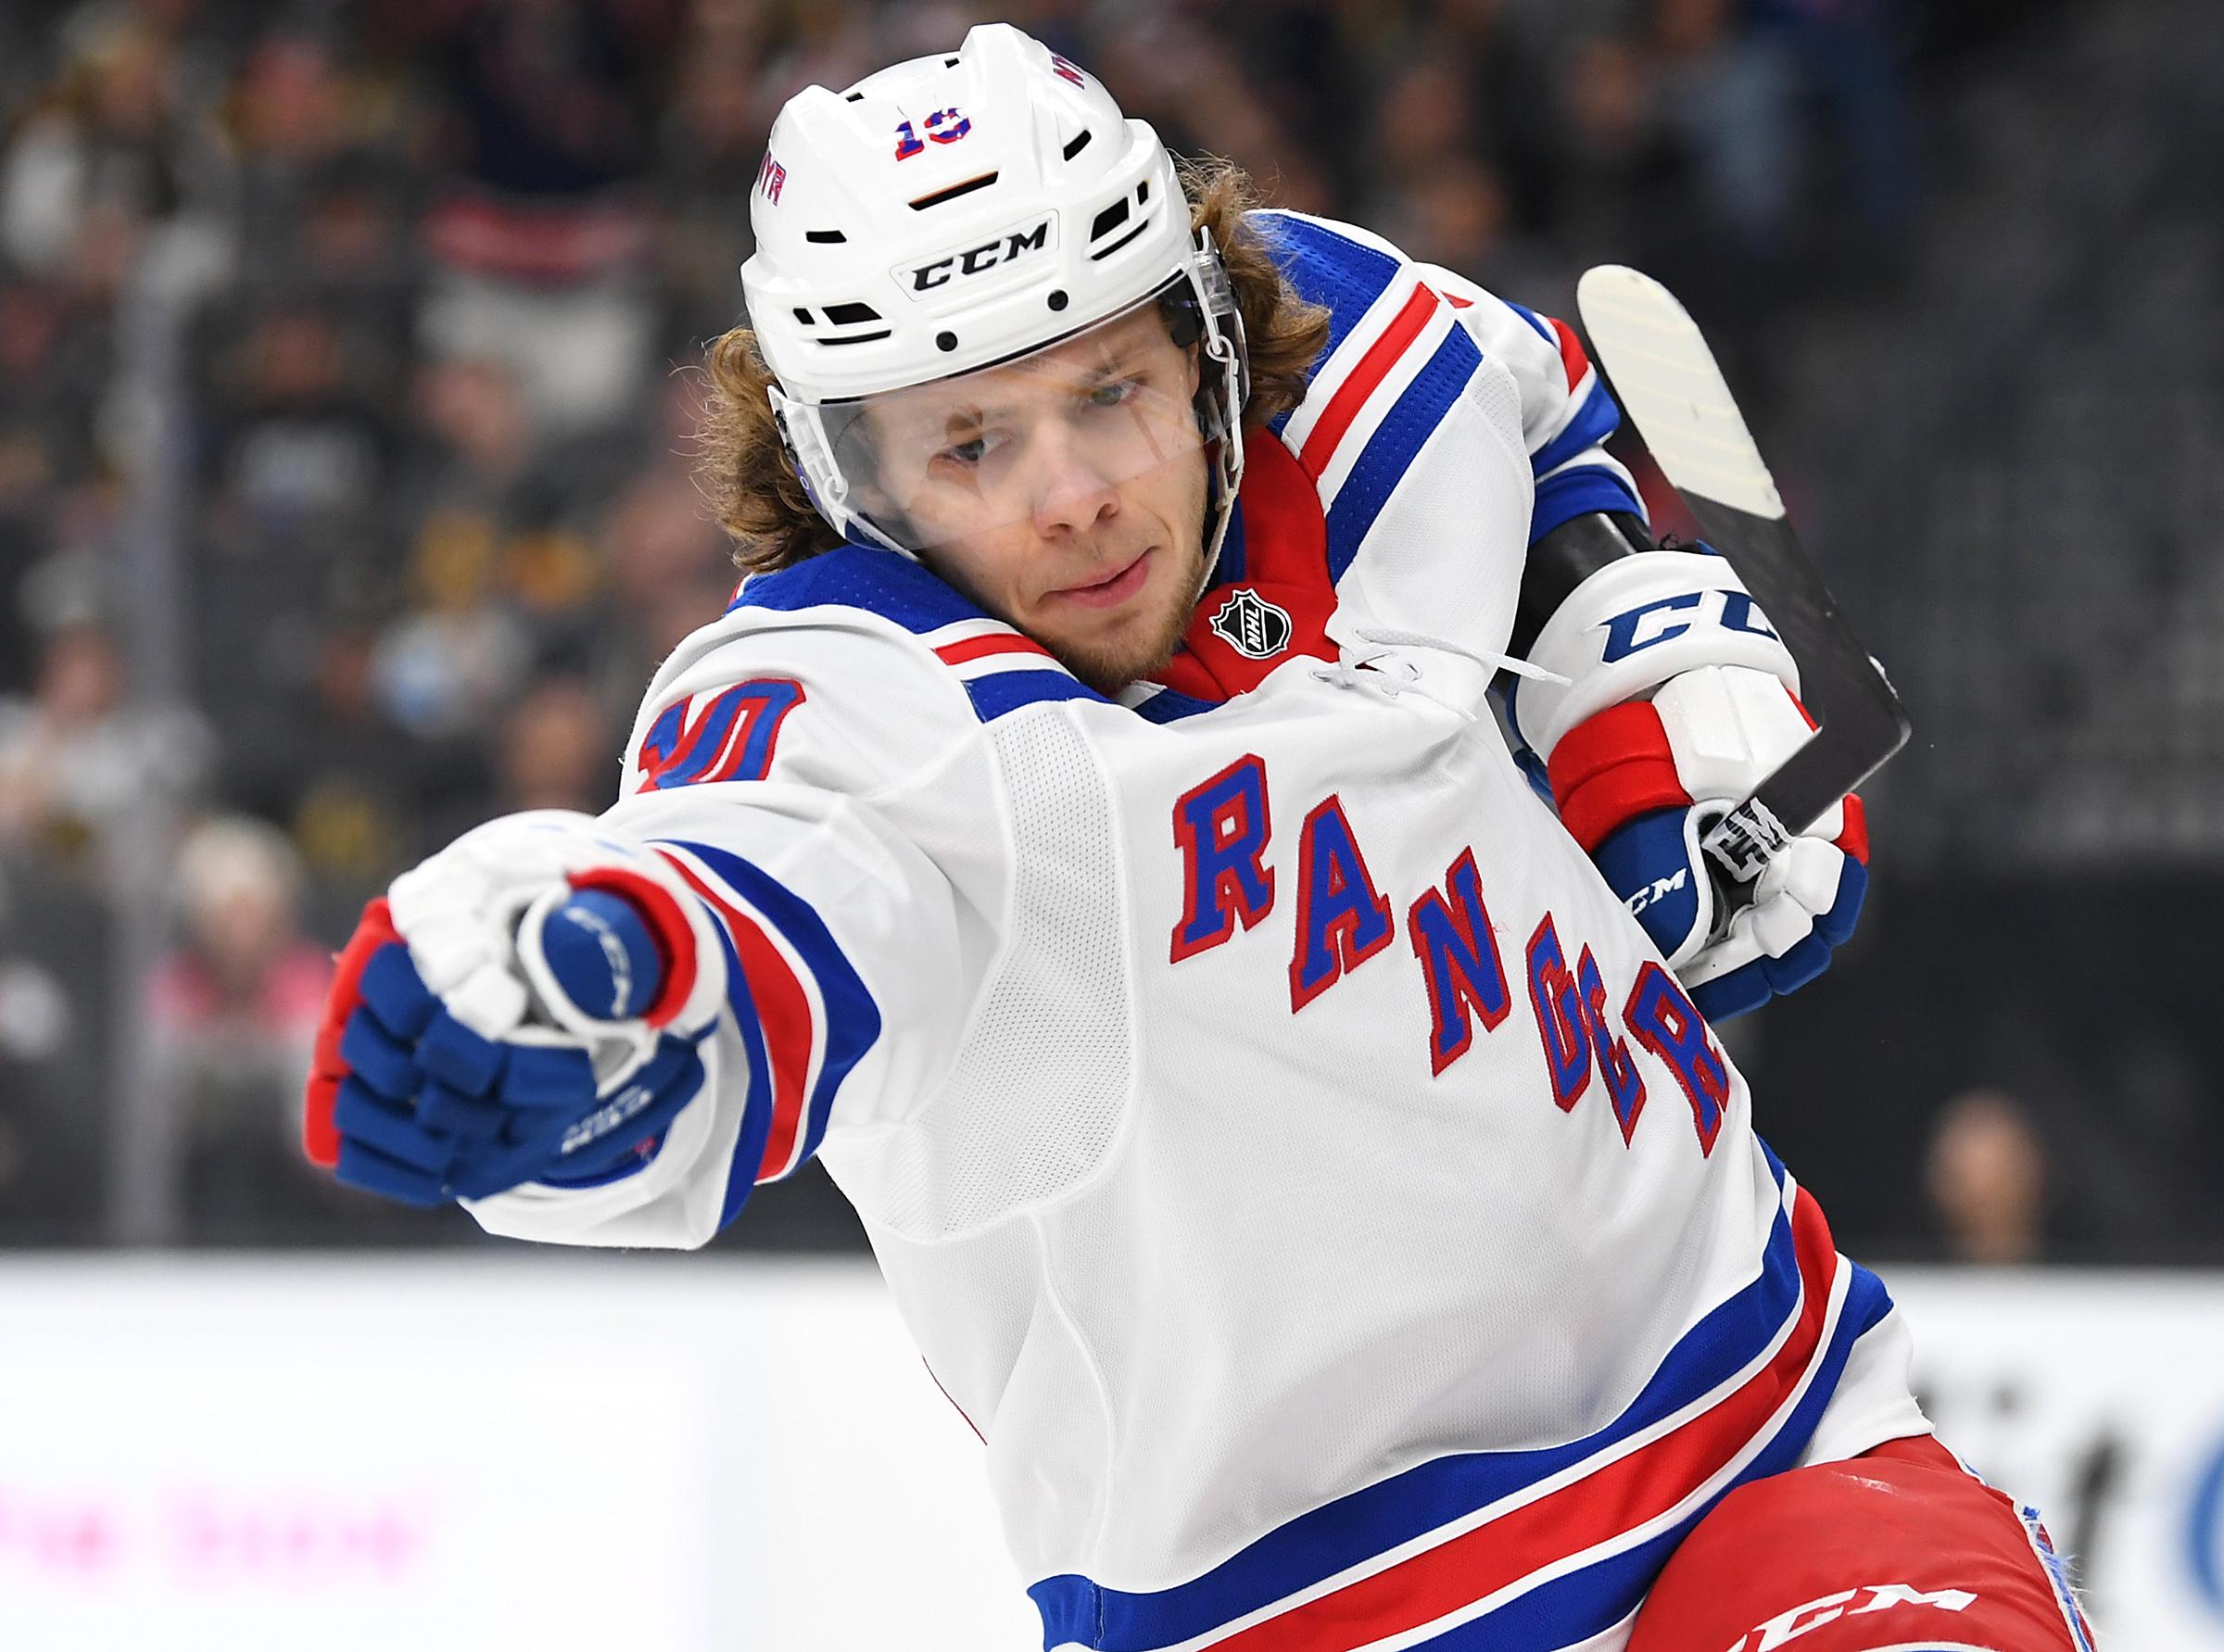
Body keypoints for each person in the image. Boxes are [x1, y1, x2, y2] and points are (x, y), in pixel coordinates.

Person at [302, 25, 2097, 1652]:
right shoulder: (875, 714)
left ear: (1209, 338)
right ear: (849, 484)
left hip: (1772, 1437)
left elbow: (1544, 420)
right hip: (1329, 1612)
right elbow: (764, 895)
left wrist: (1641, 701)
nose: (1073, 490)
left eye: (1108, 391)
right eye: (973, 444)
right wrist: (594, 981)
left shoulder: (1353, 374)